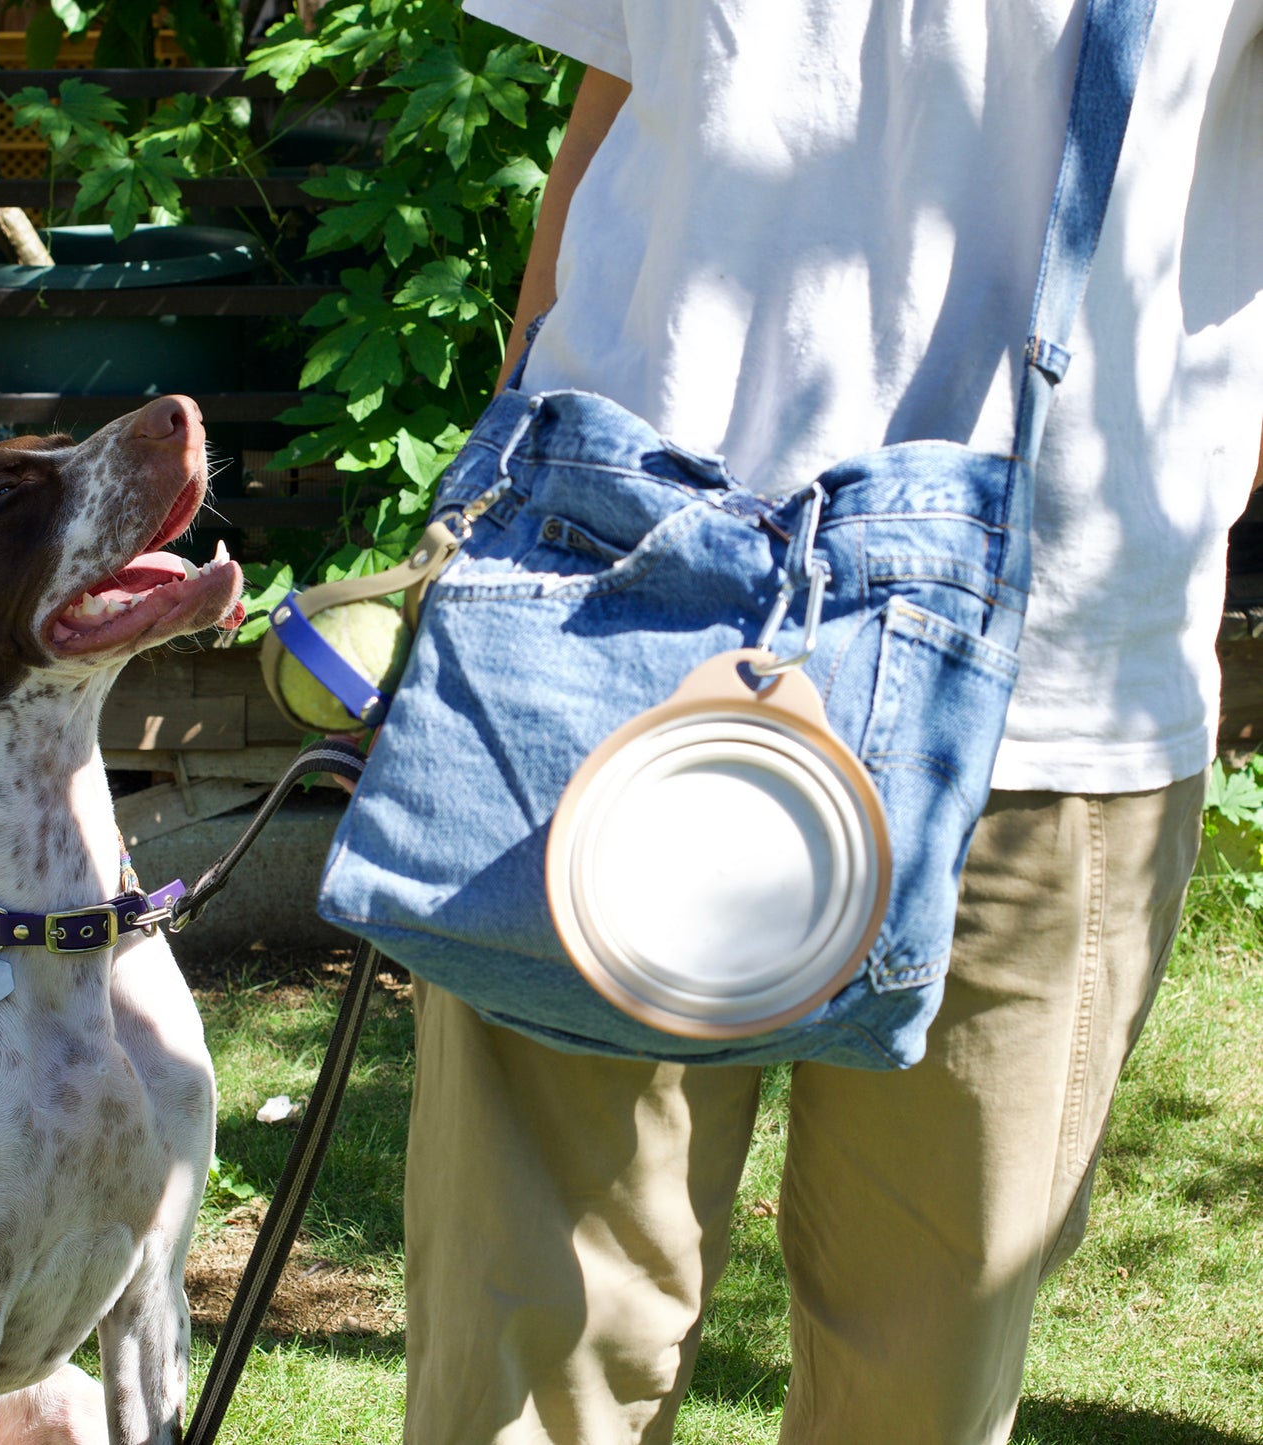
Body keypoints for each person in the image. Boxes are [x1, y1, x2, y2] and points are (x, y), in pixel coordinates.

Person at [399, 3, 1263, 1442]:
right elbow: (614, 92)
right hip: (622, 603)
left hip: (1038, 678)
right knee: (530, 1366)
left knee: (915, 1381)